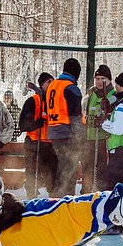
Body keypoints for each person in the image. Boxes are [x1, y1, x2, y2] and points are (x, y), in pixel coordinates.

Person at [45, 58, 85, 197]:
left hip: (53, 133)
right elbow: (75, 117)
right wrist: (81, 138)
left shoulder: (53, 86)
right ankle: (64, 201)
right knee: (68, 173)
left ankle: (57, 198)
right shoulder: (71, 89)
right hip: (67, 135)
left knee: (61, 169)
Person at [17, 73, 56, 199]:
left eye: (53, 81)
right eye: (48, 82)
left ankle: (52, 201)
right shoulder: (32, 101)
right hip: (33, 143)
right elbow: (22, 125)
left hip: (50, 144)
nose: (51, 84)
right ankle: (31, 198)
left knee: (52, 174)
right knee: (32, 173)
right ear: (41, 85)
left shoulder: (55, 101)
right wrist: (35, 124)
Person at [81, 64, 114, 192]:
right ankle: (86, 193)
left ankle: (100, 194)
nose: (100, 82)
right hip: (90, 138)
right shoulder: (92, 94)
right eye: (97, 79)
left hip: (104, 140)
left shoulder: (113, 94)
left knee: (102, 171)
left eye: (103, 79)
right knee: (88, 170)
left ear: (109, 80)